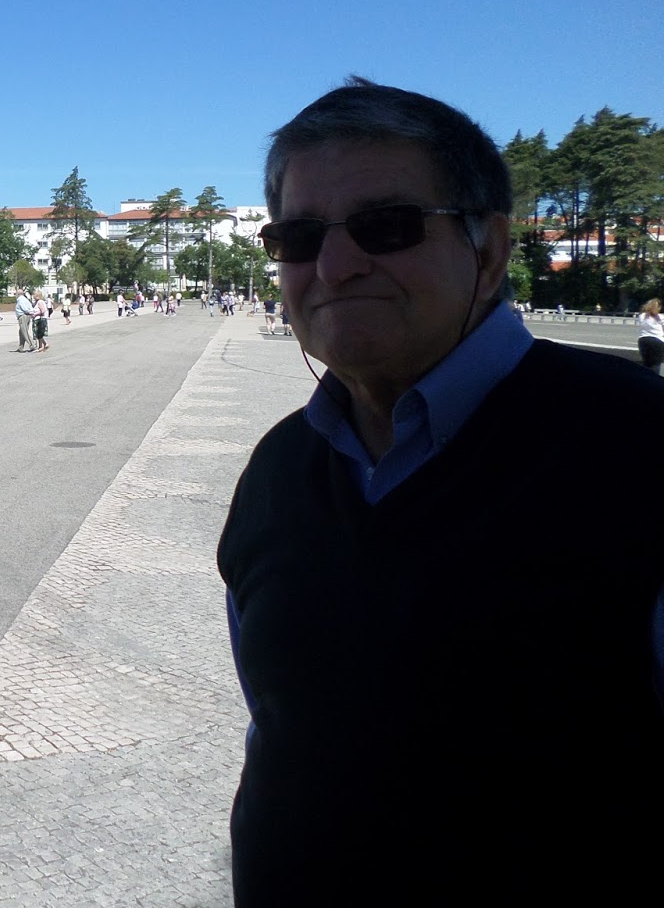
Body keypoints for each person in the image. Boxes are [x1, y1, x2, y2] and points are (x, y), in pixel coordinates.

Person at [218, 78, 664, 905]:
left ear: (488, 252)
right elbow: (277, 721)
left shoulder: (641, 449)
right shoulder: (277, 471)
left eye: (387, 226)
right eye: (300, 238)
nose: (335, 266)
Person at [638, 297, 664, 374]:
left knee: (646, 363)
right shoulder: (661, 317)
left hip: (643, 340)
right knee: (656, 364)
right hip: (657, 341)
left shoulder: (642, 316)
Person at [14, 287, 35, 352]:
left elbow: (24, 308)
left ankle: (32, 345)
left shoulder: (21, 300)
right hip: (26, 316)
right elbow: (30, 307)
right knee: (21, 332)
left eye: (15, 294)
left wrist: (28, 312)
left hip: (23, 316)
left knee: (24, 331)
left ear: (18, 294)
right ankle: (21, 347)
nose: (15, 295)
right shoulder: (25, 299)